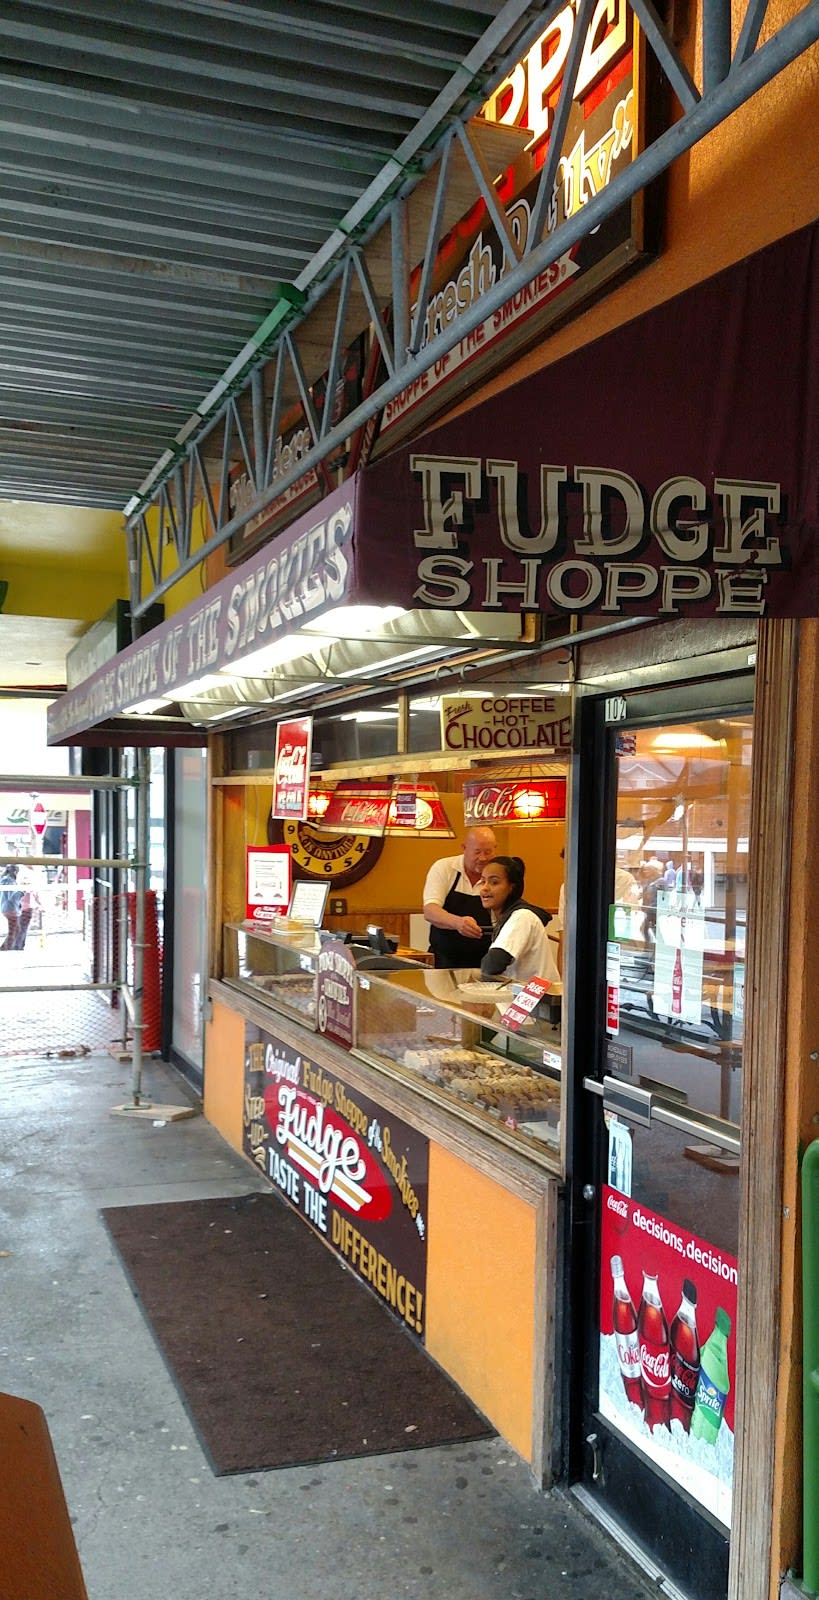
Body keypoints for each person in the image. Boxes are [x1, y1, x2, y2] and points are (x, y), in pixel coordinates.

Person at [478, 855, 560, 985]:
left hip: (539, 1001)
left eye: (494, 882)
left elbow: (492, 964)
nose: (485, 888)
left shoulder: (522, 917)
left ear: (512, 887)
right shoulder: (505, 916)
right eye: (483, 881)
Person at [422, 826, 497, 968]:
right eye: (477, 852)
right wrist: (457, 923)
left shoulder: (498, 874)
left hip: (485, 963)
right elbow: (430, 910)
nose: (483, 858)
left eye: (488, 852)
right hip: (444, 961)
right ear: (464, 848)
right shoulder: (444, 868)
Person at [1, 864, 22, 951]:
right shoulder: (11, 882)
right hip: (11, 909)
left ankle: (5, 947)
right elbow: (12, 897)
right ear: (15, 872)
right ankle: (5, 948)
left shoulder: (3, 880)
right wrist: (22, 891)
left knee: (15, 929)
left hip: (5, 908)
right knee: (14, 930)